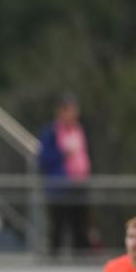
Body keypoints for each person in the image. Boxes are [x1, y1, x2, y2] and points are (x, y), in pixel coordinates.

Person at [37, 93, 91, 254]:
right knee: (58, 227)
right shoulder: (51, 132)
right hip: (59, 187)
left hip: (79, 185)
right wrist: (63, 154)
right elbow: (43, 158)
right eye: (68, 109)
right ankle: (54, 263)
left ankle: (81, 261)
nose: (72, 113)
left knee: (79, 227)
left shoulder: (80, 130)